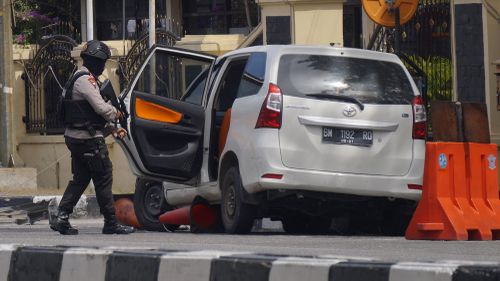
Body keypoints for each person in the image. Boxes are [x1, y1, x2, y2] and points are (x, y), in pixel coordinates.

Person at [50, 40, 134, 235]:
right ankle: (111, 223)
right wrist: (117, 113)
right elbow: (101, 108)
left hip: (77, 137)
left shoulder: (77, 77)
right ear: (96, 61)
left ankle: (61, 216)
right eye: (103, 62)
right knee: (104, 176)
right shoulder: (85, 80)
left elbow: (88, 114)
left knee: (81, 178)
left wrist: (112, 129)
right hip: (88, 140)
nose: (103, 66)